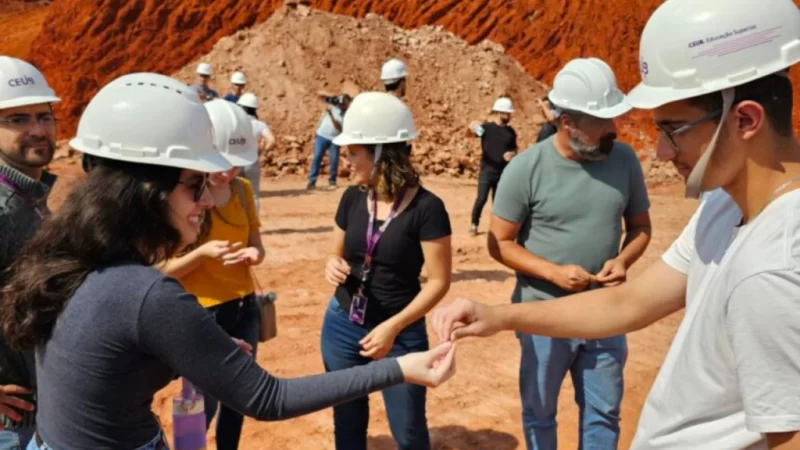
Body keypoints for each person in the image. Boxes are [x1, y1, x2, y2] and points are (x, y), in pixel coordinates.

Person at [0, 72, 456, 450]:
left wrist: (178, 359)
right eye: (194, 186)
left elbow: (102, 367)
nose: (205, 201)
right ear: (148, 194)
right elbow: (267, 397)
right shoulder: (147, 294)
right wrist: (399, 368)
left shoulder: (72, 257)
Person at [432, 0, 800, 449]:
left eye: (673, 130)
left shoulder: (774, 267)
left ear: (745, 119)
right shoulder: (723, 207)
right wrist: (499, 315)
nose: (661, 153)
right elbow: (628, 305)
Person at [469, 57, 653, 450]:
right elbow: (498, 242)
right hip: (542, 318)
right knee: (539, 412)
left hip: (605, 314)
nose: (613, 129)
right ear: (567, 123)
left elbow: (640, 228)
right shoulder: (526, 168)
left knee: (604, 413)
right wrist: (552, 274)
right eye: (602, 121)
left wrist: (623, 260)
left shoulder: (624, 160)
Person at [322, 92, 452, 450]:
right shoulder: (351, 198)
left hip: (401, 338)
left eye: (352, 153)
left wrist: (392, 327)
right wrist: (333, 266)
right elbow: (337, 256)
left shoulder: (428, 209)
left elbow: (439, 282)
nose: (345, 160)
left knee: (409, 432)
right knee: (347, 427)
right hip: (342, 327)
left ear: (380, 153)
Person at [158, 98, 264, 450]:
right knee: (198, 400)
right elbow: (162, 271)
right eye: (222, 163)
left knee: (240, 396)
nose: (228, 172)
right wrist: (202, 254)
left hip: (243, 308)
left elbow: (257, 245)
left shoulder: (243, 193)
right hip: (201, 314)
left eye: (236, 165)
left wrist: (254, 254)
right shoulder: (183, 198)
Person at [0, 56, 61, 450]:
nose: (37, 130)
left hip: (42, 412)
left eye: (44, 116)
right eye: (18, 119)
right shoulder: (4, 209)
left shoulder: (31, 198)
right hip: (13, 425)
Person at [466, 97, 518, 236]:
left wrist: (512, 154)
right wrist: (471, 126)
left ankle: (495, 228)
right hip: (487, 171)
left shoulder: (511, 133)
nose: (509, 116)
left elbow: (514, 149)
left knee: (498, 203)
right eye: (507, 113)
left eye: (509, 113)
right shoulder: (487, 129)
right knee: (481, 198)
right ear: (499, 113)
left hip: (502, 173)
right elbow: (470, 134)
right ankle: (474, 224)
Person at [237, 92, 276, 214]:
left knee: (236, 195)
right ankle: (253, 225)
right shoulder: (259, 124)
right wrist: (262, 152)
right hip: (252, 161)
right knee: (253, 196)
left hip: (236, 162)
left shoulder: (235, 122)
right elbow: (272, 140)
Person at [307, 93, 351, 190]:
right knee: (317, 157)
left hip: (335, 139)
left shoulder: (347, 114)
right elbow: (319, 95)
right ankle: (312, 181)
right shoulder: (334, 105)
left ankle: (332, 181)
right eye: (342, 102)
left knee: (334, 160)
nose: (342, 105)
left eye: (345, 103)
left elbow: (339, 127)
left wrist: (331, 115)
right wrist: (333, 97)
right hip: (322, 135)